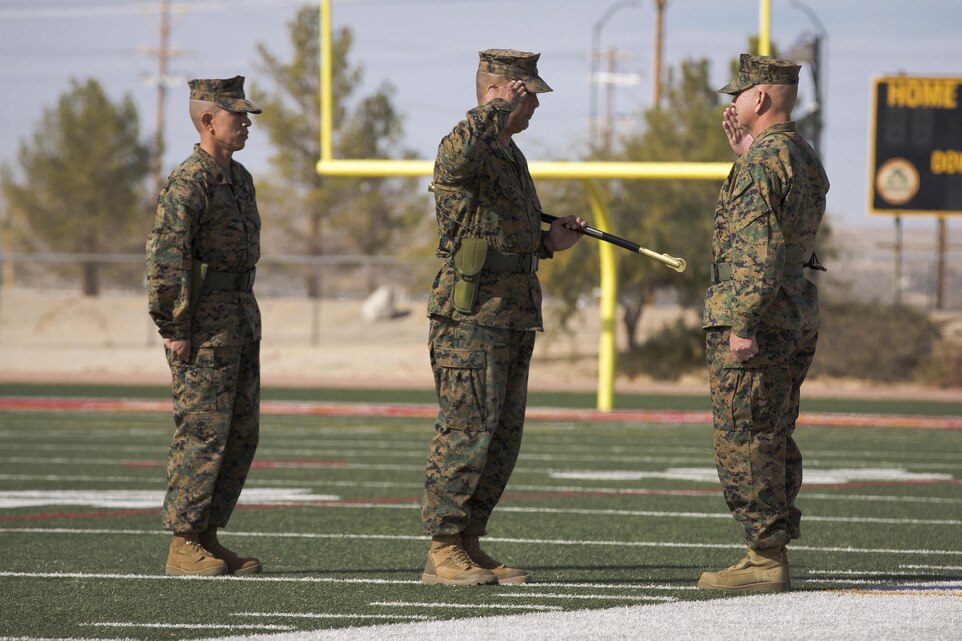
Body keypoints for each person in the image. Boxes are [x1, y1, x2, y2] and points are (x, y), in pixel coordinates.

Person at [420, 49, 586, 586]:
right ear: (499, 92)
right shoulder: (468, 142)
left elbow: (497, 231)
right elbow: (453, 162)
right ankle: (443, 547)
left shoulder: (510, 155)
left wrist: (548, 241)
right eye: (527, 94)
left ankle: (468, 539)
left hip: (511, 311)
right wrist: (493, 111)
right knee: (467, 429)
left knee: (501, 435)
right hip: (471, 315)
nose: (535, 105)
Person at [699, 54, 830, 592]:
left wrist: (742, 322)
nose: (732, 105)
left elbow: (758, 251)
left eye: (738, 96)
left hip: (760, 316)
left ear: (758, 99)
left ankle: (763, 556)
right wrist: (747, 152)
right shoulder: (802, 155)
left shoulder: (759, 166)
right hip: (795, 312)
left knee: (745, 435)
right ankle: (770, 546)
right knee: (774, 431)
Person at [146, 76, 264, 576]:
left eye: (246, 115)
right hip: (204, 324)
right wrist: (175, 325)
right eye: (236, 115)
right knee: (203, 432)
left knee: (240, 433)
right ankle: (184, 542)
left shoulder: (238, 178)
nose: (246, 123)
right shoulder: (188, 181)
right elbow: (166, 259)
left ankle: (208, 536)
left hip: (239, 315)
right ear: (207, 121)